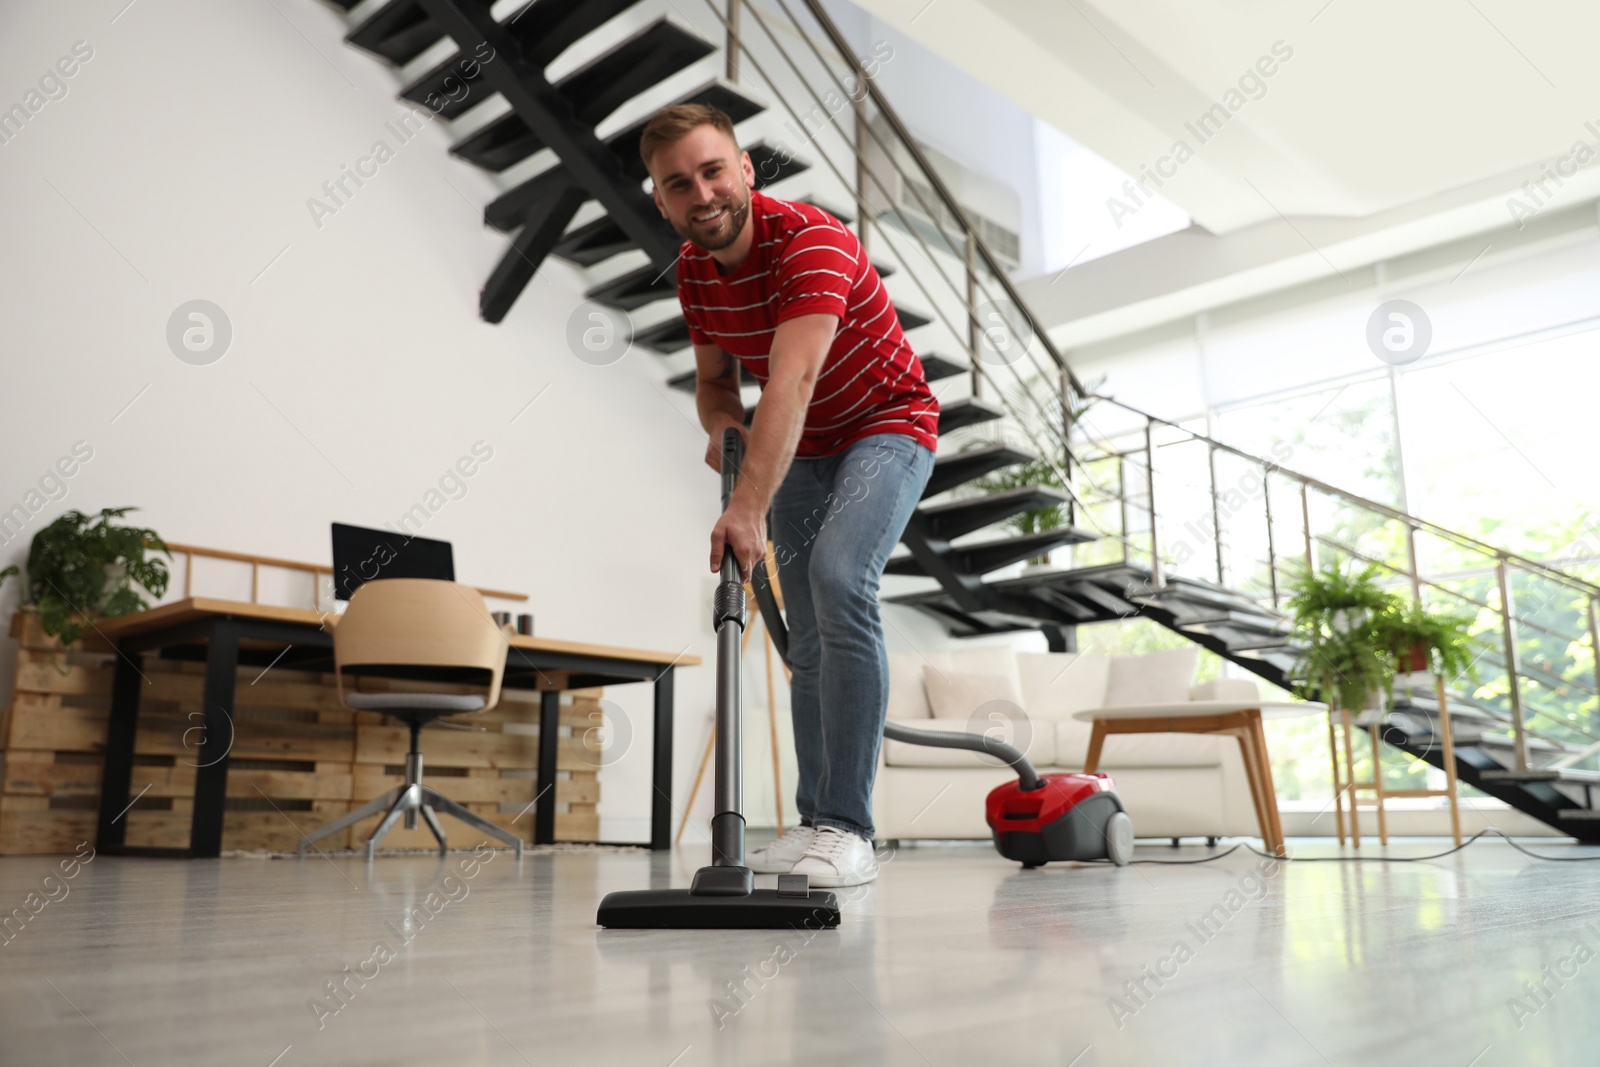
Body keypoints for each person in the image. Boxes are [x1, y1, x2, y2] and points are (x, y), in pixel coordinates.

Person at [640, 104, 939, 888]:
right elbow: (715, 382)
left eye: (712, 171)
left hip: (886, 424)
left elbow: (795, 377)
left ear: (745, 169)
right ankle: (813, 823)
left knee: (840, 579)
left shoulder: (811, 240)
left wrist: (744, 503)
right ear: (662, 201)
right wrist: (721, 424)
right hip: (802, 447)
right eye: (678, 184)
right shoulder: (693, 273)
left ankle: (849, 828)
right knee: (803, 633)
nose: (700, 193)